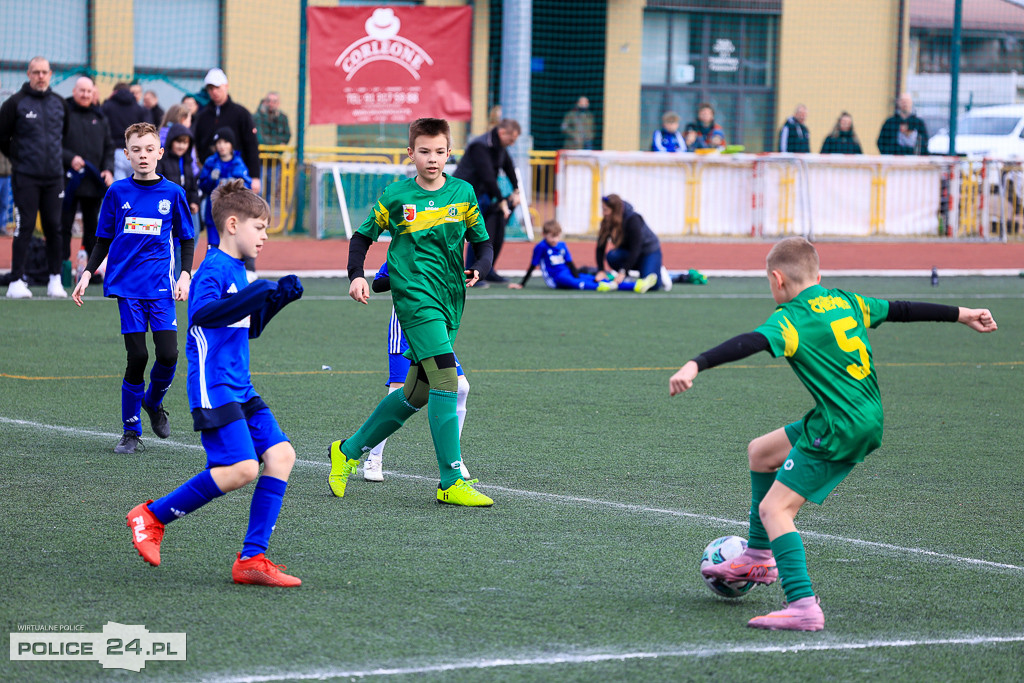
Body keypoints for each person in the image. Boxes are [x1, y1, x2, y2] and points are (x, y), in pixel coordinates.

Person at [669, 236, 997, 631]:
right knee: (761, 452)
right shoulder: (846, 301)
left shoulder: (791, 318)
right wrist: (963, 314)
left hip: (841, 425)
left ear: (777, 279)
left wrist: (695, 364)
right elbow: (902, 309)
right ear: (818, 275)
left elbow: (750, 342)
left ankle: (803, 606)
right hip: (854, 414)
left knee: (775, 509)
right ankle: (758, 556)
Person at [124, 179, 305, 587]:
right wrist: (255, 293)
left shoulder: (239, 270)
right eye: (260, 228)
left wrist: (274, 302)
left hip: (240, 385)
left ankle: (252, 560)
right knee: (240, 467)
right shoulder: (213, 267)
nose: (264, 236)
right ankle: (151, 516)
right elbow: (203, 315)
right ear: (232, 224)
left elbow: (246, 326)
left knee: (281, 457)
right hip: (213, 385)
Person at [327, 117, 495, 507]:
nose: (432, 159)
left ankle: (348, 451)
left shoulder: (463, 193)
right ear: (410, 154)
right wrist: (357, 276)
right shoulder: (396, 196)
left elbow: (483, 244)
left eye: (439, 152)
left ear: (449, 153)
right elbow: (362, 236)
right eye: (424, 151)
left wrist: (480, 269)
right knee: (448, 382)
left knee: (416, 393)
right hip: (415, 301)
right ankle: (450, 480)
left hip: (450, 299)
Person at [71, 122, 195, 454]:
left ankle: (153, 403)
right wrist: (86, 274)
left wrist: (185, 275)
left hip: (161, 286)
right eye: (136, 150)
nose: (143, 156)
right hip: (127, 287)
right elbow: (103, 240)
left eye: (149, 149)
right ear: (126, 155)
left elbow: (186, 238)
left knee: (169, 354)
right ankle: (130, 431)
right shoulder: (117, 193)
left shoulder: (173, 193)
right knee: (138, 355)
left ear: (160, 153)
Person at [364, 260, 473, 482]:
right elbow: (378, 284)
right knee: (399, 391)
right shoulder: (405, 246)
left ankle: (454, 458)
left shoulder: (445, 250)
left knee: (461, 388)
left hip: (434, 331)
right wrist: (413, 274)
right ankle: (373, 457)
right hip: (406, 329)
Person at [0, 56, 68, 299]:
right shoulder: (14, 103)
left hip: (54, 177)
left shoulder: (60, 103)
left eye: (44, 72)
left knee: (54, 227)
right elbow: (2, 137)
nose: (40, 76)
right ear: (28, 74)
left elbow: (65, 136)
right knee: (25, 226)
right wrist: (20, 160)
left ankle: (55, 280)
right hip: (26, 176)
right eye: (36, 72)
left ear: (50, 74)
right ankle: (16, 280)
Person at [454, 118, 521, 284]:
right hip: (465, 196)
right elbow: (488, 177)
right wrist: (501, 200)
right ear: (502, 132)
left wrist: (516, 190)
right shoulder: (480, 146)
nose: (512, 144)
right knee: (475, 233)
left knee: (494, 230)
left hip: (483, 194)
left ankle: (487, 270)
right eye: (511, 139)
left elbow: (509, 167)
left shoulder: (500, 147)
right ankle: (470, 272)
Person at [508, 219, 657, 292]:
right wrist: (522, 283)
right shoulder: (540, 247)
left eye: (557, 236)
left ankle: (636, 285)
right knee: (570, 281)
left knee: (591, 277)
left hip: (566, 272)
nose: (555, 240)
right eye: (551, 236)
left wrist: (577, 275)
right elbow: (532, 265)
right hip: (555, 279)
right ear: (544, 235)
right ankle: (601, 287)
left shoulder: (562, 245)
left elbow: (570, 263)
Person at [61, 75, 114, 278]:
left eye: (89, 91)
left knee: (94, 228)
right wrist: (69, 158)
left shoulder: (100, 118)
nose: (85, 95)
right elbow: (54, 143)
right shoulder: (64, 113)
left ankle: (92, 272)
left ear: (94, 94)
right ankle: (62, 269)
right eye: (81, 91)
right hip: (68, 182)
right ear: (74, 92)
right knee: (63, 225)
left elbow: (109, 147)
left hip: (92, 184)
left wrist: (108, 169)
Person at [194, 68, 261, 195]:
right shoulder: (202, 116)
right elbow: (198, 144)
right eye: (210, 88)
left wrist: (255, 176)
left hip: (238, 178)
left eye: (217, 87)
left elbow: (251, 145)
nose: (214, 92)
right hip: (211, 180)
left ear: (226, 86)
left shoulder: (241, 114)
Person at [594, 194, 672, 292]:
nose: (604, 213)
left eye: (606, 210)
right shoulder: (607, 221)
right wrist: (601, 270)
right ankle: (636, 272)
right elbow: (600, 247)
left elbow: (636, 248)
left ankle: (658, 270)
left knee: (652, 286)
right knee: (612, 256)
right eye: (603, 209)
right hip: (630, 253)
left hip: (648, 252)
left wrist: (622, 272)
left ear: (615, 211)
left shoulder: (633, 220)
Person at [198, 127, 251, 249]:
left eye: (225, 142)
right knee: (213, 246)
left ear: (232, 145)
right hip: (213, 212)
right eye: (218, 142)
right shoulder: (211, 162)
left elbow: (247, 187)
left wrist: (237, 184)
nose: (222, 146)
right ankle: (213, 268)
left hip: (233, 212)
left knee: (232, 246)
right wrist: (211, 179)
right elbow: (203, 186)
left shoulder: (238, 163)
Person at [101, 82, 151, 181]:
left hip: (115, 152)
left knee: (120, 190)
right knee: (136, 188)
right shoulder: (139, 108)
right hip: (135, 152)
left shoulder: (107, 107)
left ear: (114, 92)